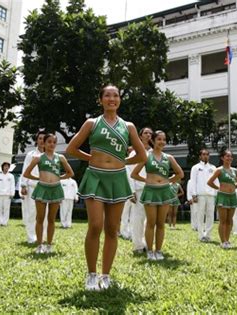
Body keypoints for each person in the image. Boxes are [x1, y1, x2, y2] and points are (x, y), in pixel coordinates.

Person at [66, 85, 147, 291]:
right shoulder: (92, 123)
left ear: (120, 99)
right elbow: (71, 148)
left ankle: (105, 275)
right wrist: (90, 158)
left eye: (116, 95)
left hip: (117, 179)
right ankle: (91, 274)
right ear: (100, 99)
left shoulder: (128, 126)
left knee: (112, 229)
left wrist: (121, 162)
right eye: (107, 95)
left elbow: (142, 155)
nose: (112, 98)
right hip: (95, 176)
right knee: (95, 225)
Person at [131, 130, 184, 261]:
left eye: (164, 139)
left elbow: (180, 174)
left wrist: (168, 180)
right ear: (153, 141)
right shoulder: (146, 156)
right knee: (151, 222)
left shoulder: (169, 157)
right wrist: (146, 180)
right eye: (159, 139)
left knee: (161, 223)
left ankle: (158, 250)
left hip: (164, 191)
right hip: (150, 191)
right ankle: (149, 251)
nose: (162, 142)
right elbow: (134, 174)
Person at [23, 133, 74, 254]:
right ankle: (39, 245)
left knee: (51, 219)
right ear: (44, 143)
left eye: (54, 142)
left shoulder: (60, 157)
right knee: (39, 218)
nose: (52, 144)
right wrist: (38, 179)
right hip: (42, 189)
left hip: (55, 189)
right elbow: (26, 173)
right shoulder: (38, 158)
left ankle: (49, 245)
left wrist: (58, 178)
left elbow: (70, 173)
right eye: (49, 142)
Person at [207, 150, 237, 249]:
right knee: (222, 220)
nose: (230, 158)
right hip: (222, 196)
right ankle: (223, 242)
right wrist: (219, 188)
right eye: (227, 156)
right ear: (222, 158)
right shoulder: (219, 170)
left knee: (229, 220)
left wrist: (233, 188)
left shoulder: (235, 171)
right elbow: (209, 182)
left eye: (231, 156)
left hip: (232, 196)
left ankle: (227, 240)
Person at [20, 130, 47, 244]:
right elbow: (25, 170)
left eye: (43, 139)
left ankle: (43, 236)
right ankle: (32, 237)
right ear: (37, 140)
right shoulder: (30, 155)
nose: (42, 141)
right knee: (32, 212)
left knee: (44, 213)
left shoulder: (51, 155)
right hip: (32, 186)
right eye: (40, 138)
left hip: (46, 187)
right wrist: (23, 185)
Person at [129, 127, 153, 254]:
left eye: (150, 133)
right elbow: (129, 173)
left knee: (150, 219)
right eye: (146, 133)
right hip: (139, 189)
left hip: (153, 189)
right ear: (140, 136)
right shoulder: (135, 153)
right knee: (138, 218)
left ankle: (147, 243)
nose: (148, 135)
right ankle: (138, 245)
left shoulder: (155, 152)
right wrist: (131, 191)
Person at [190, 149, 218, 242]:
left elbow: (216, 182)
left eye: (207, 154)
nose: (205, 156)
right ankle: (201, 235)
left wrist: (217, 193)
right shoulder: (195, 167)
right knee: (200, 215)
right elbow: (193, 182)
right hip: (200, 195)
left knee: (210, 215)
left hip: (211, 195)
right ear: (200, 156)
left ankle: (208, 235)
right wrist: (194, 195)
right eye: (203, 154)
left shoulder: (213, 168)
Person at [119, 147, 136, 240]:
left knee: (133, 213)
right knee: (125, 213)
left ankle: (132, 232)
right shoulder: (124, 164)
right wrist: (131, 191)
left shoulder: (134, 164)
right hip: (125, 191)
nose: (132, 152)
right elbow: (128, 179)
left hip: (134, 190)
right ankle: (124, 232)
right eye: (130, 151)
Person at [0, 162, 15, 226]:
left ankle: (5, 222)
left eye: (7, 166)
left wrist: (12, 194)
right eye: (5, 166)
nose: (6, 167)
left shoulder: (11, 176)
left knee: (6, 209)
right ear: (2, 167)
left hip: (8, 195)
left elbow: (12, 185)